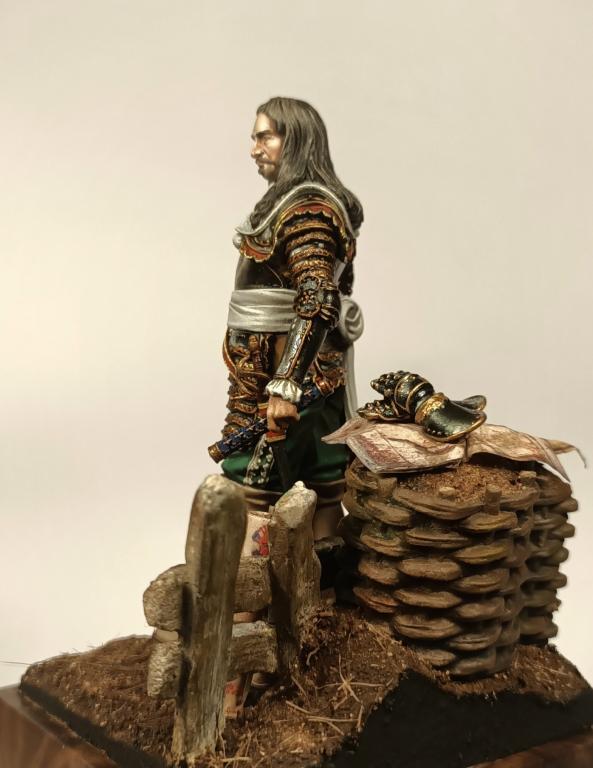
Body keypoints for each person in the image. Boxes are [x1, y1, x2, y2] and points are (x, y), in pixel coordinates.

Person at [213, 96, 364, 540]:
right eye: (254, 138)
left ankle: (254, 585)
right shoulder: (289, 203)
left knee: (253, 483)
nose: (254, 149)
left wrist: (285, 384)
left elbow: (317, 298)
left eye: (265, 137)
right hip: (290, 370)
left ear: (294, 140)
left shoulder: (307, 208)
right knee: (323, 478)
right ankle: (318, 575)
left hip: (290, 373)